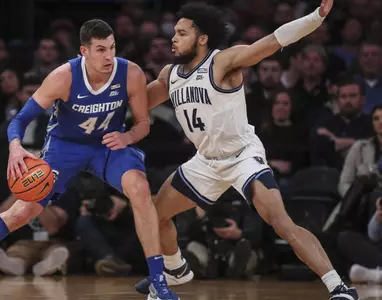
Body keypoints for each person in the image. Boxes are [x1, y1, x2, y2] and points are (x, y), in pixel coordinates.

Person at [0, 19, 178, 300]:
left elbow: (143, 124)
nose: (109, 56)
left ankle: (158, 283)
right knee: (21, 212)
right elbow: (20, 120)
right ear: (84, 51)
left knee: (141, 190)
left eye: (112, 48)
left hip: (108, 144)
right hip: (64, 147)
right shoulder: (63, 77)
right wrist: (16, 147)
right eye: (101, 50)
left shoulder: (130, 73)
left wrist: (127, 138)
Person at [135, 1, 359, 300]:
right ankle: (176, 269)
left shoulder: (223, 62)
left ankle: (339, 288)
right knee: (156, 214)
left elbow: (272, 41)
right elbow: (137, 104)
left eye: (181, 33)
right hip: (204, 161)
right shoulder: (170, 74)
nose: (173, 39)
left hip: (242, 156)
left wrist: (315, 17)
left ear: (202, 38)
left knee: (280, 221)